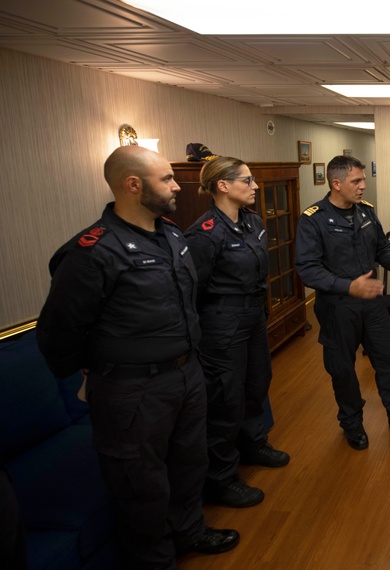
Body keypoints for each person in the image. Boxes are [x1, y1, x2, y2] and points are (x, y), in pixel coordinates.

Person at [35, 146, 239, 566]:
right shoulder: (93, 251)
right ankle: (154, 559)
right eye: (166, 178)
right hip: (132, 390)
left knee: (188, 464)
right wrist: (94, 374)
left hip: (185, 375)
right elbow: (59, 332)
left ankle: (189, 532)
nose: (176, 184)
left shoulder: (172, 234)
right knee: (141, 485)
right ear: (133, 185)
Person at [295, 155, 390, 451]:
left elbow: (382, 248)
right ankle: (352, 424)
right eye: (356, 181)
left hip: (371, 304)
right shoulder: (313, 219)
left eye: (362, 180)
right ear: (336, 183)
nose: (363, 186)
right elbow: (307, 269)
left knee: (389, 360)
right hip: (336, 307)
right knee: (342, 369)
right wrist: (348, 286)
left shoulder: (366, 212)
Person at [185, 157, 290, 509]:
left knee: (256, 383)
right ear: (223, 186)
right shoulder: (204, 234)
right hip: (221, 322)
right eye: (247, 180)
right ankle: (222, 479)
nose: (255, 186)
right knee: (224, 400)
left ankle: (253, 444)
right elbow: (191, 292)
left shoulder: (253, 222)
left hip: (253, 314)